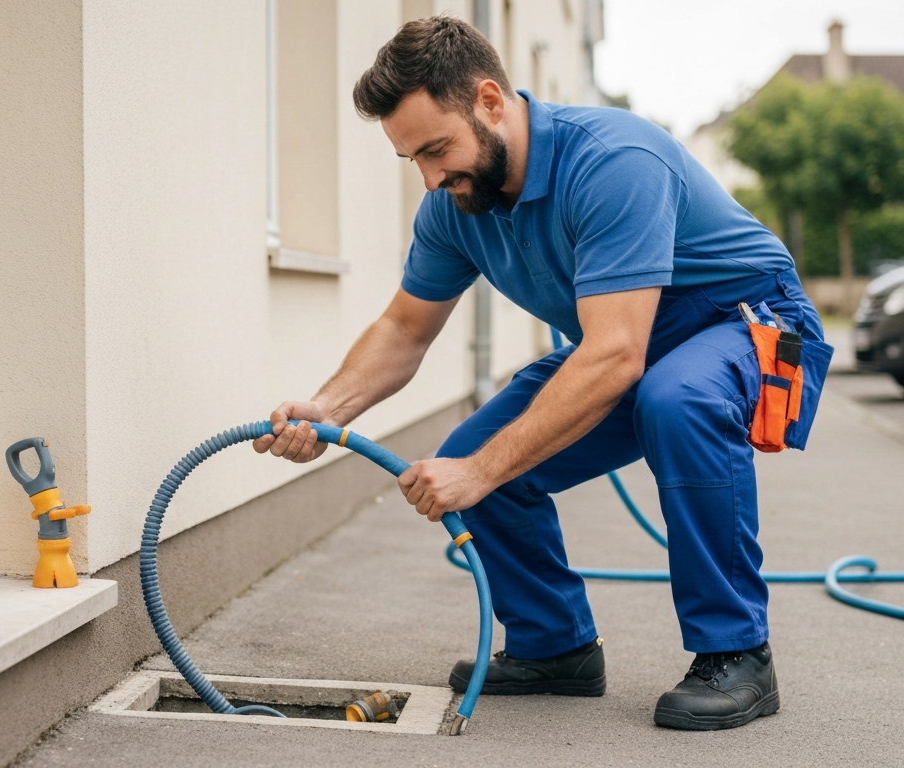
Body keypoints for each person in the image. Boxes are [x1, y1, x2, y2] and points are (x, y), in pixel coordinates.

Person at [253, 16, 831, 731]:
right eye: (414, 162)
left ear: (490, 103)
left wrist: (483, 470)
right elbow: (405, 329)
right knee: (468, 462)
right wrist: (329, 408)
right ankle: (555, 647)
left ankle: (737, 652)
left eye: (437, 150)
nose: (432, 179)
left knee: (674, 400)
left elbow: (617, 354)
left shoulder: (614, 161)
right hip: (625, 340)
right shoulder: (456, 205)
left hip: (743, 322)